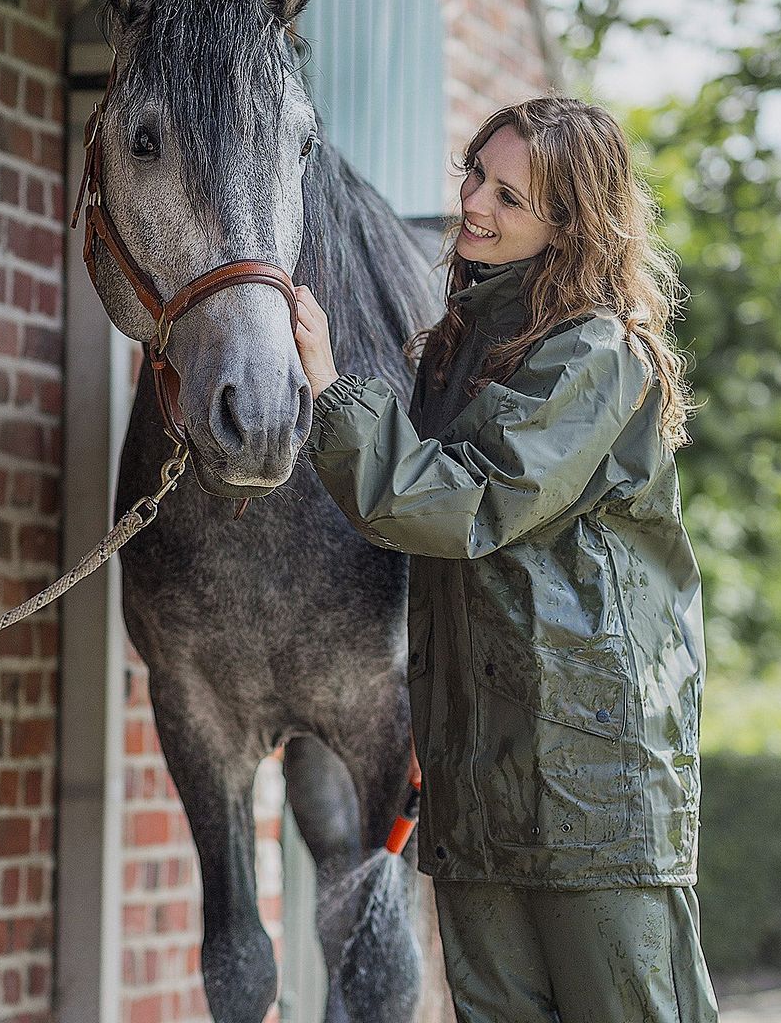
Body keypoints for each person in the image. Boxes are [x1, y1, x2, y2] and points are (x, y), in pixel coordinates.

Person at [292, 98, 718, 1022]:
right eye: (474, 173)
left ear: (570, 225)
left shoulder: (595, 353)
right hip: (475, 774)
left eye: (508, 194)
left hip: (591, 778)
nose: (474, 202)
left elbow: (464, 506)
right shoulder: (457, 348)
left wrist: (329, 390)